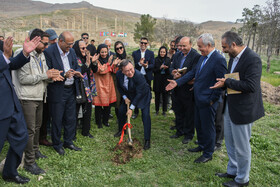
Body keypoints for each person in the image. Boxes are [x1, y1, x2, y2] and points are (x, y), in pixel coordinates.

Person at [211, 31, 265, 187]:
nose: (224, 50)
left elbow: (251, 86)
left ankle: (242, 179)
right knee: (230, 142)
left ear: (233, 44)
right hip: (230, 106)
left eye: (225, 47)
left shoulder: (253, 59)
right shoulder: (233, 58)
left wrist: (226, 82)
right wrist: (225, 83)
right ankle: (233, 170)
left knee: (242, 146)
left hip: (244, 110)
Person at [166, 33, 227, 163]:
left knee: (208, 127)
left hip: (208, 101)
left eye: (200, 46)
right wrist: (177, 82)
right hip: (198, 98)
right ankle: (202, 145)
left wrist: (212, 99)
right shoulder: (203, 57)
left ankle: (208, 153)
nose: (198, 49)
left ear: (209, 45)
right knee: (199, 125)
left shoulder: (218, 59)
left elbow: (221, 83)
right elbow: (193, 73)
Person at [12, 28, 63, 175]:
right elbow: (23, 79)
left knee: (37, 127)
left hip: (39, 96)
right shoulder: (22, 54)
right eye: (44, 44)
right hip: (27, 98)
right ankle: (29, 162)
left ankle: (35, 152)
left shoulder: (41, 55)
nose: (47, 47)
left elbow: (44, 73)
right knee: (29, 130)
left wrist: (52, 76)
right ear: (35, 40)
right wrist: (44, 75)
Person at [0, 36, 41, 184]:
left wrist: (24, 53)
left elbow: (11, 64)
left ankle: (10, 172)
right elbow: (4, 61)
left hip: (11, 102)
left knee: (21, 136)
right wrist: (5, 56)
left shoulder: (2, 45)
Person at [44, 31, 83, 155]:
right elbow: (49, 72)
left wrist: (76, 72)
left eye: (72, 44)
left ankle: (68, 141)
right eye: (68, 44)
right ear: (60, 41)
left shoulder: (71, 51)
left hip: (70, 89)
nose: (71, 47)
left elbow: (77, 66)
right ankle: (57, 144)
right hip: (57, 90)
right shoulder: (49, 52)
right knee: (57, 118)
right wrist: (64, 75)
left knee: (71, 117)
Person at [169, 37, 201, 144]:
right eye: (180, 46)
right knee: (178, 110)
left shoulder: (196, 56)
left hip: (188, 89)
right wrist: (173, 72)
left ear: (190, 44)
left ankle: (188, 134)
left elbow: (194, 72)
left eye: (184, 46)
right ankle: (179, 130)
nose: (181, 48)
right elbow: (171, 66)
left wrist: (180, 78)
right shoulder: (177, 54)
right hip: (176, 89)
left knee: (189, 113)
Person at [115, 59, 152, 150]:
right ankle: (121, 130)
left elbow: (139, 94)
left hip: (143, 95)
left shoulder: (139, 76)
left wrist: (131, 108)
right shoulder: (118, 74)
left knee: (145, 115)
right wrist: (124, 97)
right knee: (121, 111)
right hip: (129, 95)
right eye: (127, 71)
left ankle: (147, 139)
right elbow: (119, 87)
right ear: (122, 71)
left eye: (131, 69)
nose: (131, 72)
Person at [73, 40, 98, 138]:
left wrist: (94, 63)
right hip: (79, 88)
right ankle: (73, 133)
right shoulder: (75, 59)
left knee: (87, 110)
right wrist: (87, 64)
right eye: (82, 48)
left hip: (88, 88)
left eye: (85, 48)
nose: (84, 50)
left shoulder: (87, 57)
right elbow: (79, 72)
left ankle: (86, 131)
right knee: (75, 112)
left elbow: (94, 70)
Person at [92, 44, 117, 128]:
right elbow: (101, 70)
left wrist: (115, 65)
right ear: (98, 52)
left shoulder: (109, 59)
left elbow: (113, 70)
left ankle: (105, 121)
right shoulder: (96, 61)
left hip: (108, 84)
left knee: (108, 105)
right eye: (102, 52)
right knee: (98, 106)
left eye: (105, 52)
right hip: (99, 85)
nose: (104, 54)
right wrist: (109, 64)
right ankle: (98, 122)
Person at [131, 37, 154, 119]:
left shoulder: (151, 53)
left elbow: (152, 65)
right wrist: (140, 64)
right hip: (137, 77)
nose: (143, 44)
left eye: (145, 43)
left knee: (146, 93)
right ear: (139, 43)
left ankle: (145, 111)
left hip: (146, 77)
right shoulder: (135, 53)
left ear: (147, 44)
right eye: (142, 43)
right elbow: (133, 66)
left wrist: (146, 65)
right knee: (136, 93)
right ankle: (136, 111)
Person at [153, 46, 171, 116]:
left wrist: (166, 68)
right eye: (161, 52)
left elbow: (169, 71)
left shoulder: (168, 60)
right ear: (159, 52)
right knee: (157, 96)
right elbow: (154, 70)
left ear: (166, 52)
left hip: (165, 80)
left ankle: (164, 111)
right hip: (157, 80)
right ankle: (157, 110)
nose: (162, 53)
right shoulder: (156, 59)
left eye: (164, 52)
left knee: (165, 96)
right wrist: (160, 68)